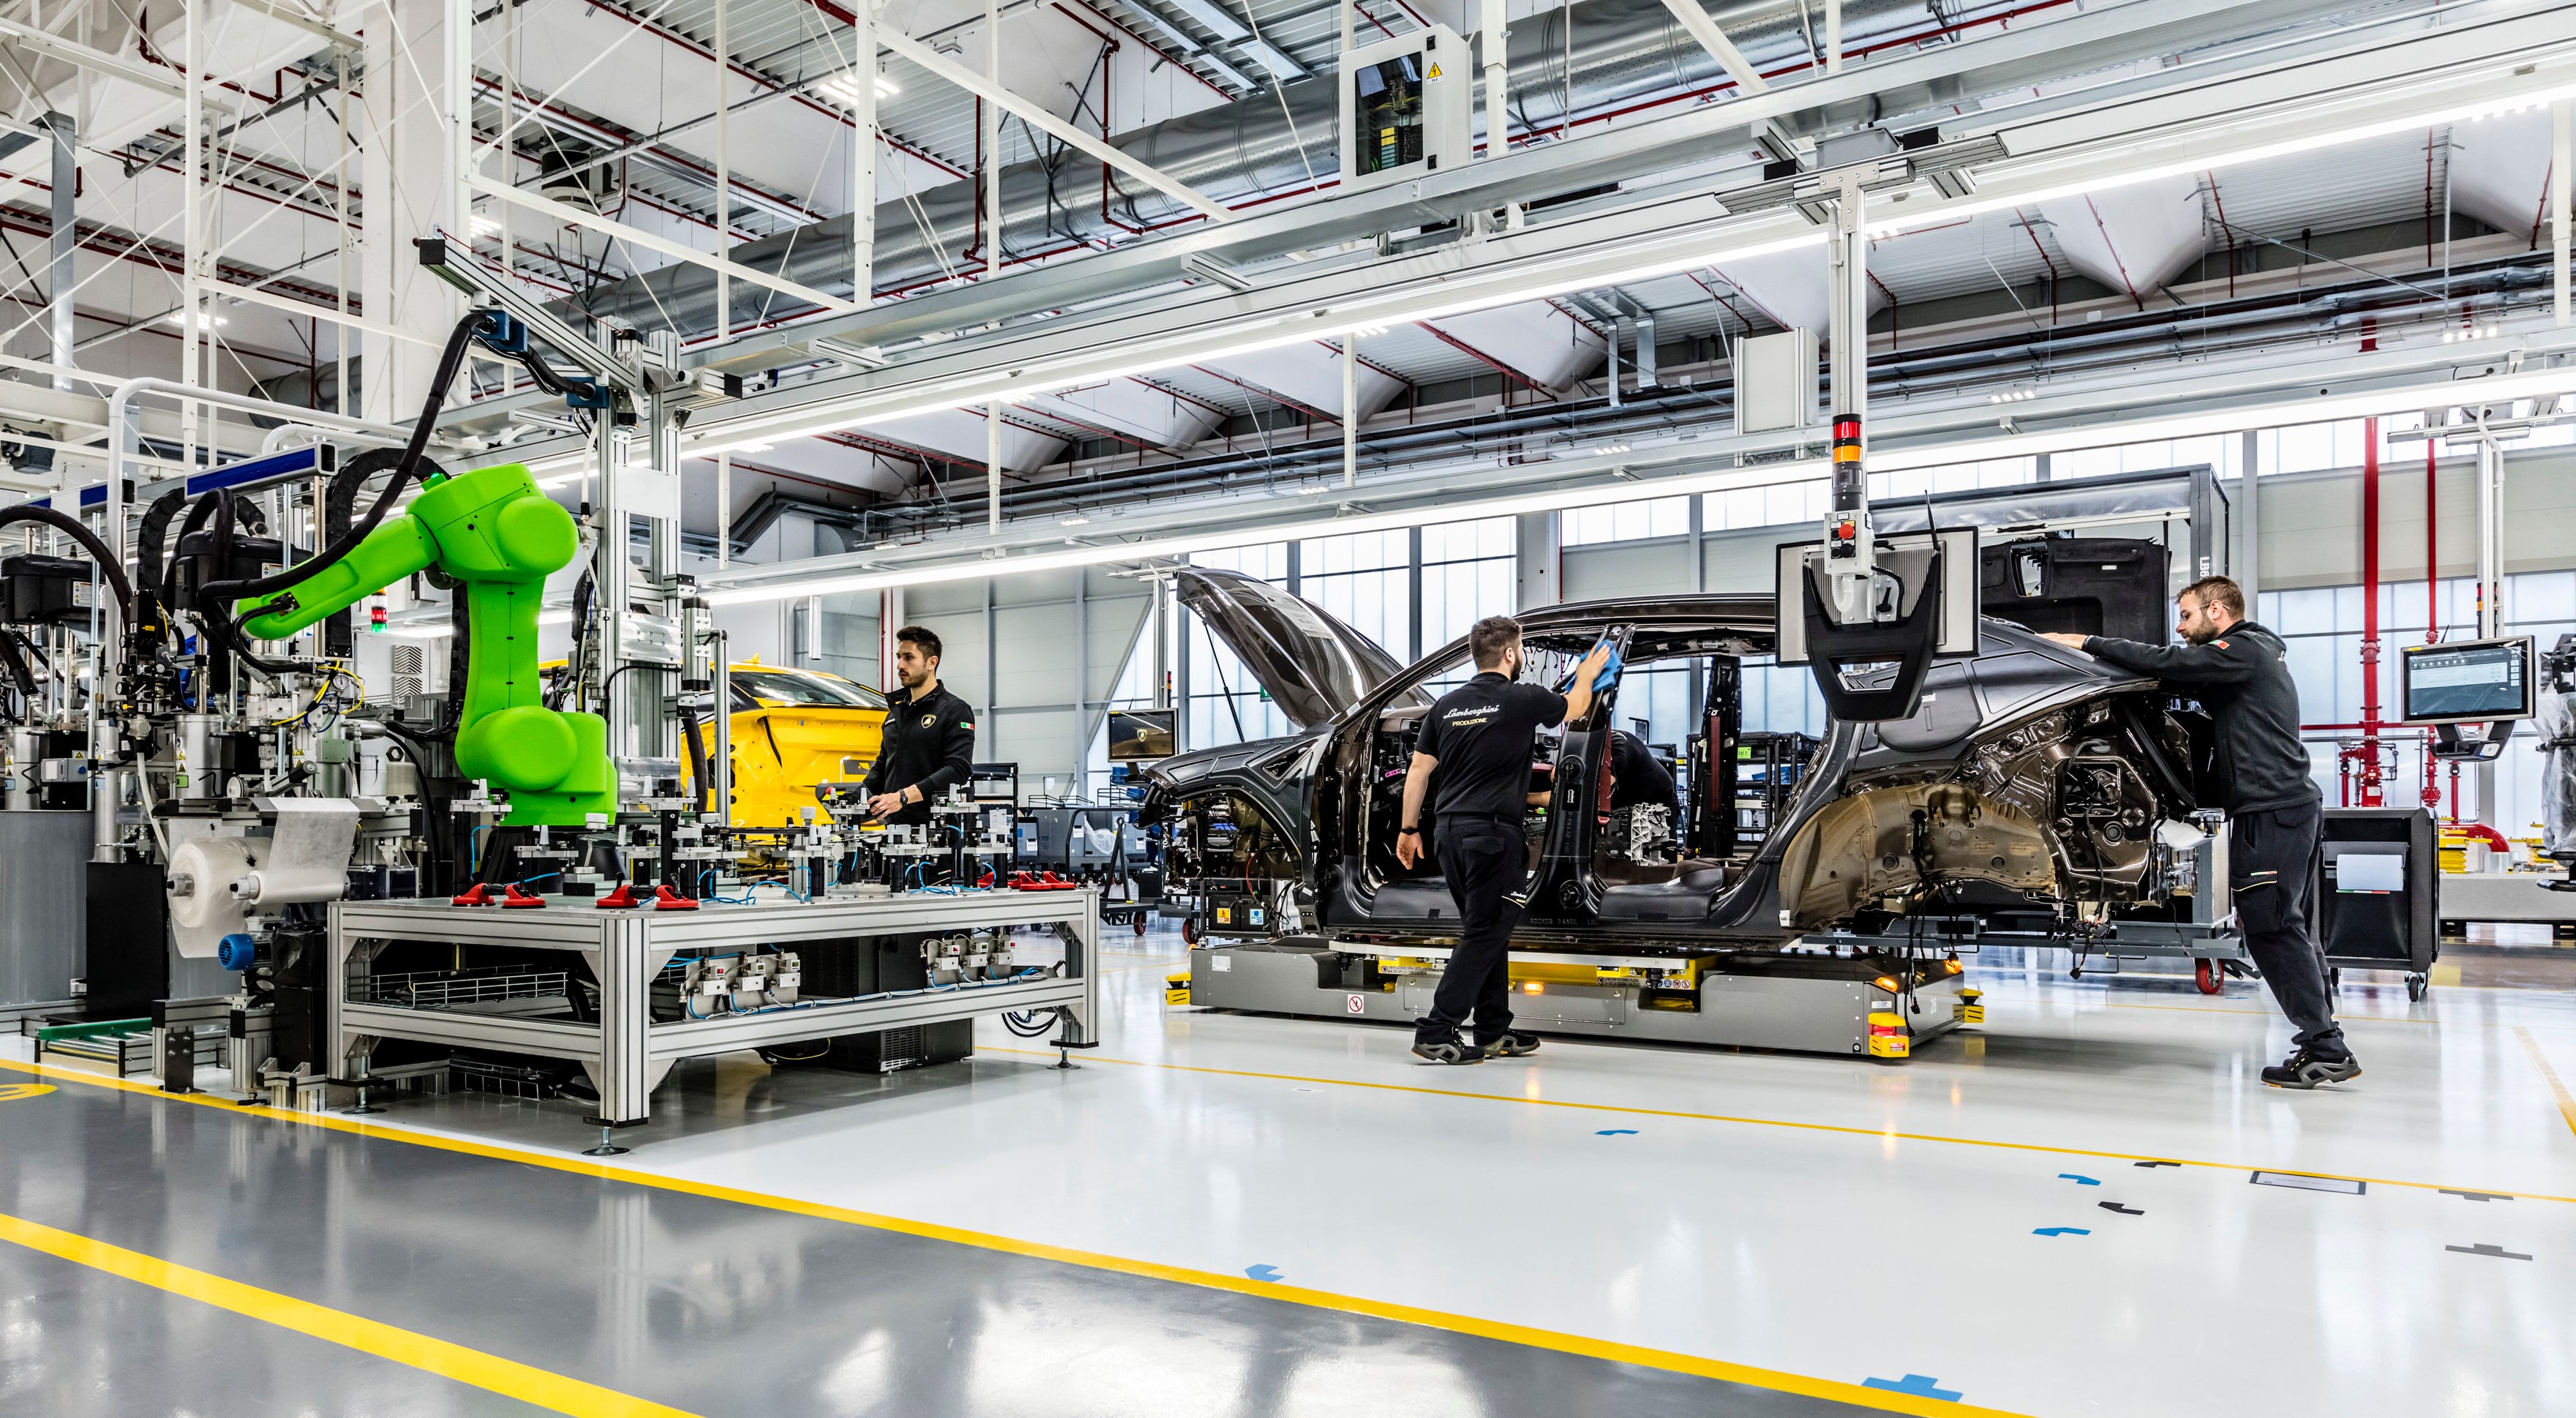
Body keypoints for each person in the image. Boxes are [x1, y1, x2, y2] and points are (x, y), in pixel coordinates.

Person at [2042, 576, 2359, 1089]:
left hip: (2274, 810)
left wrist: (2086, 645)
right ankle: (2323, 1038)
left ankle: (2325, 1046)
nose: (2179, 627)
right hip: (2280, 809)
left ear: (2216, 611)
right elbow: (2180, 688)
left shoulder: (2245, 650)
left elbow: (2172, 664)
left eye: (2186, 615)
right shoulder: (2248, 660)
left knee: (2271, 926)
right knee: (2287, 925)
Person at [1395, 618, 1612, 1065]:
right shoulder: (1522, 698)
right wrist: (1587, 675)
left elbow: (1418, 772)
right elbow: (1573, 708)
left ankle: (1494, 1030)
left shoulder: (1446, 707)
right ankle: (1436, 1029)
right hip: (1493, 836)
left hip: (1447, 835)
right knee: (1485, 932)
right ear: (1512, 655)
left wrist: (1408, 830)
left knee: (1489, 930)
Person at [861, 626, 977, 828]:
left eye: (909, 658)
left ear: (931, 662)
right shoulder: (895, 713)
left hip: (935, 834)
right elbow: (883, 766)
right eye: (898, 657)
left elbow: (958, 769)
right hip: (892, 831)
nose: (899, 665)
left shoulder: (954, 710)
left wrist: (903, 797)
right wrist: (853, 797)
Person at [1605, 729, 1678, 812]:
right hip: (1625, 799)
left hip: (1657, 803)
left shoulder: (1619, 749)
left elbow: (1601, 788)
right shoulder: (1600, 738)